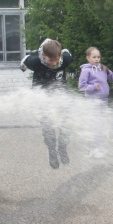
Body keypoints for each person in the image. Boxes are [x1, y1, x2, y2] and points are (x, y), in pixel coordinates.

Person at [20, 38, 73, 169]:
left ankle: (62, 148)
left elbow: (67, 52)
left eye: (56, 59)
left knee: (66, 127)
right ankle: (52, 151)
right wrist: (22, 67)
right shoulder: (36, 62)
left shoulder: (64, 59)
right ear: (44, 56)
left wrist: (64, 51)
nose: (54, 63)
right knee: (48, 130)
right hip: (42, 102)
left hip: (61, 100)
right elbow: (25, 59)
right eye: (51, 60)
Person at [78, 46, 113, 158]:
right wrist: (93, 87)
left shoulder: (103, 68)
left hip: (104, 101)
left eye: (98, 57)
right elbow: (82, 86)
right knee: (95, 125)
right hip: (93, 102)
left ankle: (98, 147)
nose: (97, 59)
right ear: (88, 58)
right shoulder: (86, 70)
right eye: (94, 57)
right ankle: (93, 149)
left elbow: (111, 77)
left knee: (101, 124)